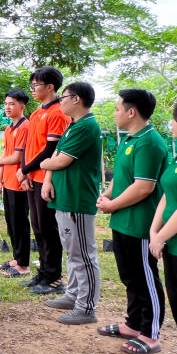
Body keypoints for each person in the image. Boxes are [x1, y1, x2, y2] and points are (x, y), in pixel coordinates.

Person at [97, 89, 168, 354]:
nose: (114, 113)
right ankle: (133, 324)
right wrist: (108, 195)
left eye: (117, 108)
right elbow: (123, 178)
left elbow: (144, 187)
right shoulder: (130, 139)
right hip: (122, 222)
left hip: (140, 224)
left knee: (145, 278)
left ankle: (150, 334)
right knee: (130, 277)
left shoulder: (149, 142)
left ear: (131, 112)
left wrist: (112, 205)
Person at [39, 82, 102, 325]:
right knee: (72, 251)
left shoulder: (87, 126)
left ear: (76, 99)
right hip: (65, 198)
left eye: (63, 97)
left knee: (83, 254)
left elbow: (60, 160)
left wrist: (43, 165)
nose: (60, 101)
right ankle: (73, 294)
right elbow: (56, 156)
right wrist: (48, 177)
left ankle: (86, 307)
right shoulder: (73, 126)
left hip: (77, 200)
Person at [16, 66, 71, 295]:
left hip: (47, 178)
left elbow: (50, 149)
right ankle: (43, 272)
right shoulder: (37, 113)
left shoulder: (58, 113)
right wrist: (24, 171)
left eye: (36, 85)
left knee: (48, 228)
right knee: (37, 226)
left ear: (50, 87)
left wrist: (27, 169)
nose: (33, 89)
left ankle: (54, 276)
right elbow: (30, 146)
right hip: (33, 176)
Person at [147, 102, 177, 354]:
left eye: (172, 120)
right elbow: (167, 195)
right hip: (170, 241)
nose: (170, 125)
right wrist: (155, 232)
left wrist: (161, 237)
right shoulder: (176, 158)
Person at [0, 88, 31, 278]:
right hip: (7, 182)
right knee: (11, 222)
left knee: (20, 223)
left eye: (12, 104)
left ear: (22, 106)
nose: (8, 107)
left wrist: (1, 161)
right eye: (6, 103)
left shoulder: (26, 127)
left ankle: (24, 264)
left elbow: (16, 156)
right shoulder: (9, 129)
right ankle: (17, 258)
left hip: (19, 183)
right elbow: (5, 156)